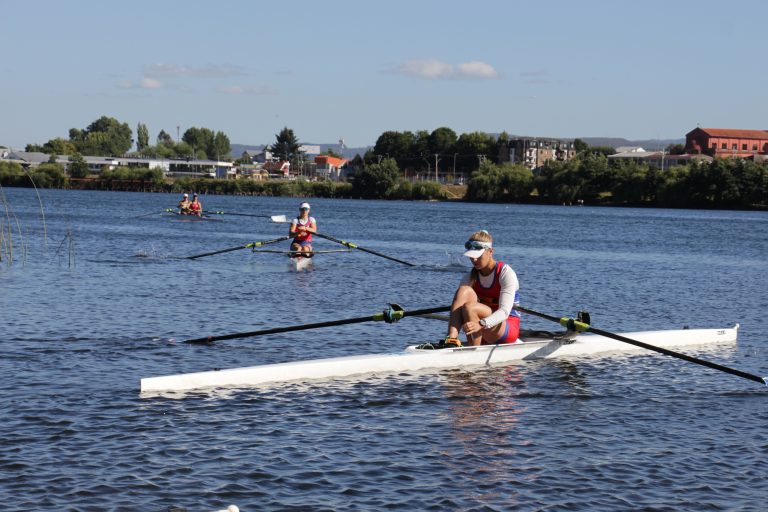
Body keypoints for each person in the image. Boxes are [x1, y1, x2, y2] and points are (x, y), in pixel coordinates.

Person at [443, 230, 521, 347]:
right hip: (480, 326)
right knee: (463, 291)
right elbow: (458, 309)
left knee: (470, 308)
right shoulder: (469, 277)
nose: (474, 260)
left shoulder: (505, 273)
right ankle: (451, 340)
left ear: (491, 251)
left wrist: (481, 324)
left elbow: (504, 312)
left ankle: (473, 349)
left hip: (506, 327)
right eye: (471, 256)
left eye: (478, 256)